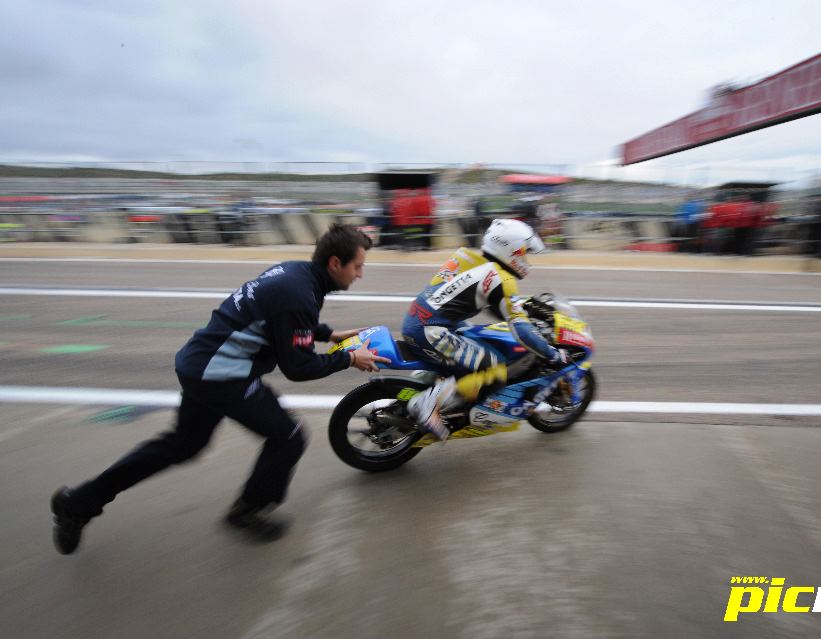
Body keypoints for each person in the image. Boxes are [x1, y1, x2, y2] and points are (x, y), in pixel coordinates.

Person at [50, 224, 389, 553]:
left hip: (199, 363)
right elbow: (298, 367)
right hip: (222, 374)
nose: (359, 274)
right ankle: (249, 510)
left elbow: (285, 320)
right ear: (335, 263)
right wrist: (348, 359)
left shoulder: (295, 274)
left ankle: (78, 503)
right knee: (289, 437)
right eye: (357, 266)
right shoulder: (299, 294)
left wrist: (328, 335)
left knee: (183, 445)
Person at [403, 218, 568, 440]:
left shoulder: (466, 257)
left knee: (473, 335)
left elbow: (492, 303)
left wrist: (517, 312)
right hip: (432, 331)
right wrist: (552, 353)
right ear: (513, 250)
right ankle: (427, 404)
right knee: (495, 367)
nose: (526, 259)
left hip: (417, 320)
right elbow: (521, 331)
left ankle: (431, 381)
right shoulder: (501, 278)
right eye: (524, 253)